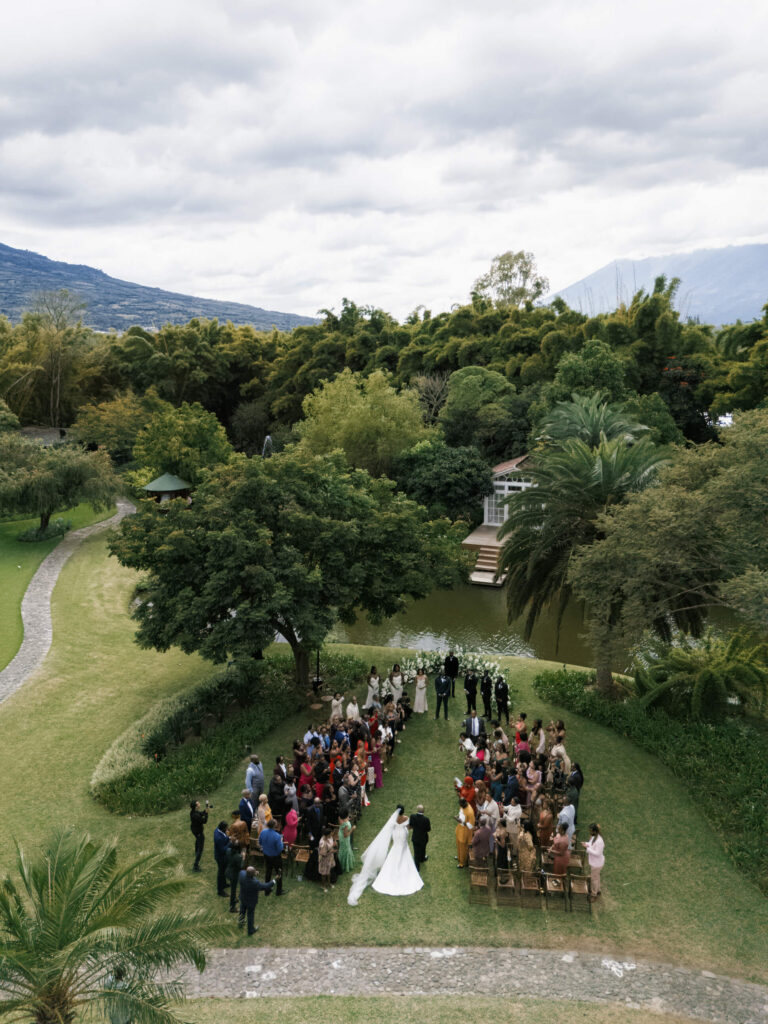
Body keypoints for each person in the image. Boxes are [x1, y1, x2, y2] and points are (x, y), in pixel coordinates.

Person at [348, 805, 424, 904]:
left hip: (396, 834)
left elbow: (390, 828)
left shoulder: (393, 818)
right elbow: (409, 827)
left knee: (395, 849)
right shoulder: (406, 818)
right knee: (403, 849)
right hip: (403, 835)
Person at [238, 865, 274, 935]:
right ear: (253, 874)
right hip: (251, 902)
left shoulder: (241, 874)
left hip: (243, 897)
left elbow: (246, 873)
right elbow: (265, 886)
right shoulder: (255, 883)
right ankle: (250, 930)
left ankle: (240, 923)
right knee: (250, 915)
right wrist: (274, 881)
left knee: (242, 911)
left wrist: (254, 873)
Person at [259, 818, 285, 895]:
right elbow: (280, 849)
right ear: (274, 826)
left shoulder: (263, 832)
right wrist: (281, 841)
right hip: (276, 857)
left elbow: (260, 842)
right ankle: (278, 891)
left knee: (268, 872)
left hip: (266, 855)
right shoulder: (277, 836)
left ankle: (267, 890)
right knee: (279, 872)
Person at [583, 823, 605, 900]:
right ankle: (598, 890)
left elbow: (597, 853)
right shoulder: (594, 837)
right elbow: (591, 844)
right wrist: (586, 844)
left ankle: (594, 894)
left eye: (591, 831)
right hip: (595, 862)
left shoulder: (599, 841)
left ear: (595, 831)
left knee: (594, 879)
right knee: (597, 877)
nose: (590, 832)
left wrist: (587, 849)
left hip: (597, 864)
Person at [408, 804, 431, 870]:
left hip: (415, 837)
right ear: (423, 811)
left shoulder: (412, 816)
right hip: (424, 838)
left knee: (416, 852)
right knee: (423, 849)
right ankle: (422, 859)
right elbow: (428, 829)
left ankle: (417, 867)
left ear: (417, 810)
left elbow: (411, 825)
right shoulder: (426, 819)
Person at [454, 797, 475, 867]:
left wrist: (462, 822)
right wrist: (458, 817)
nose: (460, 805)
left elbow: (471, 825)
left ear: (464, 803)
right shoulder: (462, 806)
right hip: (460, 828)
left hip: (465, 831)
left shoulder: (470, 812)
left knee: (463, 846)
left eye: (460, 804)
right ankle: (459, 857)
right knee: (458, 844)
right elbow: (461, 813)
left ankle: (462, 863)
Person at [189, 799, 208, 872]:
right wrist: (206, 814)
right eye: (198, 803)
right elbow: (204, 821)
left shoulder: (193, 812)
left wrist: (205, 811)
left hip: (194, 830)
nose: (200, 804)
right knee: (201, 848)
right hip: (198, 832)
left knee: (197, 841)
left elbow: (201, 813)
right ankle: (195, 866)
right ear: (196, 806)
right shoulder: (195, 815)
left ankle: (196, 851)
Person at [213, 820, 230, 896]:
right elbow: (223, 849)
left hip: (222, 856)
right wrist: (230, 842)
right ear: (222, 828)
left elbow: (224, 839)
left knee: (223, 872)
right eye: (226, 828)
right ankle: (220, 891)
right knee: (221, 873)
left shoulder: (217, 830)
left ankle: (224, 884)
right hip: (221, 857)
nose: (227, 829)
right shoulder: (218, 838)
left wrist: (228, 837)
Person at [226, 841, 244, 912]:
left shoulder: (228, 851)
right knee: (233, 890)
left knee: (233, 888)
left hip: (227, 871)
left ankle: (234, 899)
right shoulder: (238, 857)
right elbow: (241, 866)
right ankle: (232, 907)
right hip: (233, 875)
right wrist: (243, 858)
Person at [318, 826, 336, 892]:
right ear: (327, 834)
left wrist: (333, 845)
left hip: (330, 858)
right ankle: (323, 886)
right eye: (331, 833)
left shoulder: (330, 838)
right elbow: (323, 854)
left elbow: (331, 845)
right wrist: (332, 851)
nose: (332, 834)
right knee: (324, 873)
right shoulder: (323, 843)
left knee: (329, 871)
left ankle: (329, 883)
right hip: (324, 859)